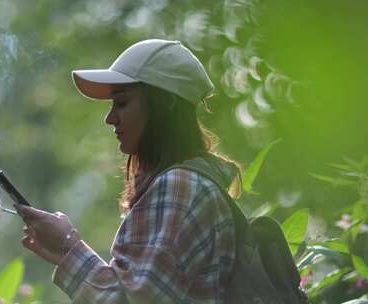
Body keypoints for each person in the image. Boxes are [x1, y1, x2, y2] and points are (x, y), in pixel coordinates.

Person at [14, 39, 243, 304]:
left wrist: (69, 244)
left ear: (165, 103)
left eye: (122, 103)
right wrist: (65, 252)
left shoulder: (178, 185)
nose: (110, 118)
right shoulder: (196, 183)